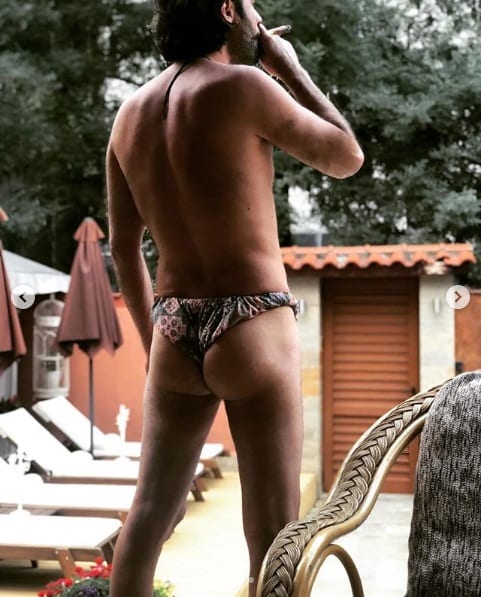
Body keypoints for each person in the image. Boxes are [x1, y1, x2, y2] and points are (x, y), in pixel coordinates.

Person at [106, 1, 364, 595]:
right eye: (251, 6)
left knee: (148, 519)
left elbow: (123, 249)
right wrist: (287, 66)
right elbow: (346, 157)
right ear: (227, 9)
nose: (258, 19)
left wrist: (154, 350)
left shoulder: (129, 114)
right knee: (274, 537)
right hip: (252, 318)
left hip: (173, 325)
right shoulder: (244, 85)